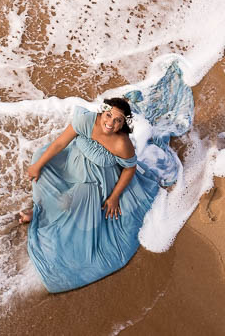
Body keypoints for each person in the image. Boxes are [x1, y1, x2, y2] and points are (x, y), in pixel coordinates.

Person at [19, 97, 161, 293]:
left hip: (96, 180)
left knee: (78, 205)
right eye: (109, 115)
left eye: (118, 120)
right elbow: (59, 143)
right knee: (41, 161)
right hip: (71, 165)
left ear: (123, 123)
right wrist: (37, 165)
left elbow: (130, 169)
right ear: (103, 112)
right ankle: (42, 208)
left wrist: (114, 197)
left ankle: (40, 213)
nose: (110, 123)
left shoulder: (122, 143)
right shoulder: (85, 120)